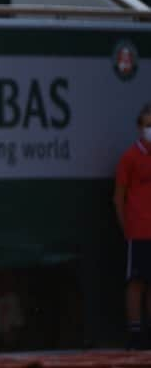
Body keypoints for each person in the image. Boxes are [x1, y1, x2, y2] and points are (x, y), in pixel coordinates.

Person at [114, 102, 151, 350]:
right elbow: (118, 196)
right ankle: (135, 333)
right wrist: (126, 227)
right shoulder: (129, 157)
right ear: (139, 127)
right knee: (136, 282)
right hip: (138, 232)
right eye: (148, 125)